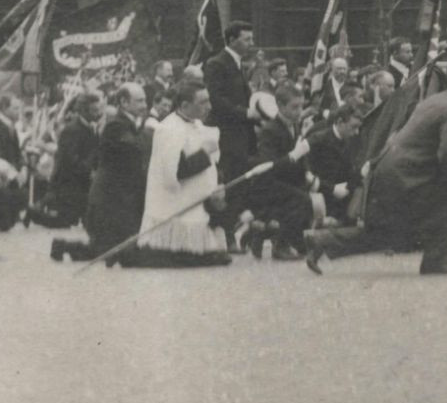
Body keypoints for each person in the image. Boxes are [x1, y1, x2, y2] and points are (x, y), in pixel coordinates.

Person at [305, 63, 447, 276]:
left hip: (392, 170)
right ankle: (437, 261)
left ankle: (320, 240)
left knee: (387, 231)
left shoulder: (439, 99)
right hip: (407, 176)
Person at [118, 81, 231, 268]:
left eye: (208, 101)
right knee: (184, 259)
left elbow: (212, 165)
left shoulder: (198, 125)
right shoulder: (168, 129)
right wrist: (204, 152)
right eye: (202, 102)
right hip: (174, 205)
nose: (209, 107)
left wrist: (218, 183)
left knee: (208, 257)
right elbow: (175, 172)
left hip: (198, 202)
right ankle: (131, 255)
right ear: (185, 106)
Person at [59, 83, 152, 262]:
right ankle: (63, 246)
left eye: (145, 100)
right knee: (107, 251)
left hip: (119, 202)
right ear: (124, 103)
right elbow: (135, 147)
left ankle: (64, 246)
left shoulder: (132, 124)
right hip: (108, 204)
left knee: (109, 250)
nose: (144, 105)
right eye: (140, 101)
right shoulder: (115, 125)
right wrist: (154, 134)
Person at [240, 82, 315, 261]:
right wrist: (293, 156)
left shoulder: (295, 125)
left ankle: (264, 232)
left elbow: (300, 155)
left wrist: (307, 172)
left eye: (301, 106)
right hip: (267, 183)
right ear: (280, 106)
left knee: (306, 196)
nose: (299, 111)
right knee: (300, 200)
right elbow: (269, 165)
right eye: (294, 107)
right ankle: (280, 245)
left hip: (286, 179)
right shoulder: (270, 130)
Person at [203, 21, 256, 250]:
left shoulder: (238, 64)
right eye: (246, 39)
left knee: (239, 186)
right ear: (232, 40)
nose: (251, 43)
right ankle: (226, 234)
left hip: (240, 136)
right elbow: (215, 100)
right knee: (228, 185)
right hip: (225, 136)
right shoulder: (217, 64)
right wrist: (245, 112)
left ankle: (233, 231)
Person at [31, 93, 101, 229]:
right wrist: (89, 171)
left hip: (82, 182)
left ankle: (41, 207)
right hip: (68, 184)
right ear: (83, 110)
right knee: (65, 222)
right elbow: (69, 161)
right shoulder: (72, 130)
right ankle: (33, 213)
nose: (98, 114)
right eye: (94, 110)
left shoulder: (91, 128)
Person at [307, 101, 364, 224]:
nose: (356, 132)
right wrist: (331, 189)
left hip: (341, 201)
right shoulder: (317, 141)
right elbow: (305, 174)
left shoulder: (349, 142)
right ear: (339, 122)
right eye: (353, 126)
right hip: (319, 202)